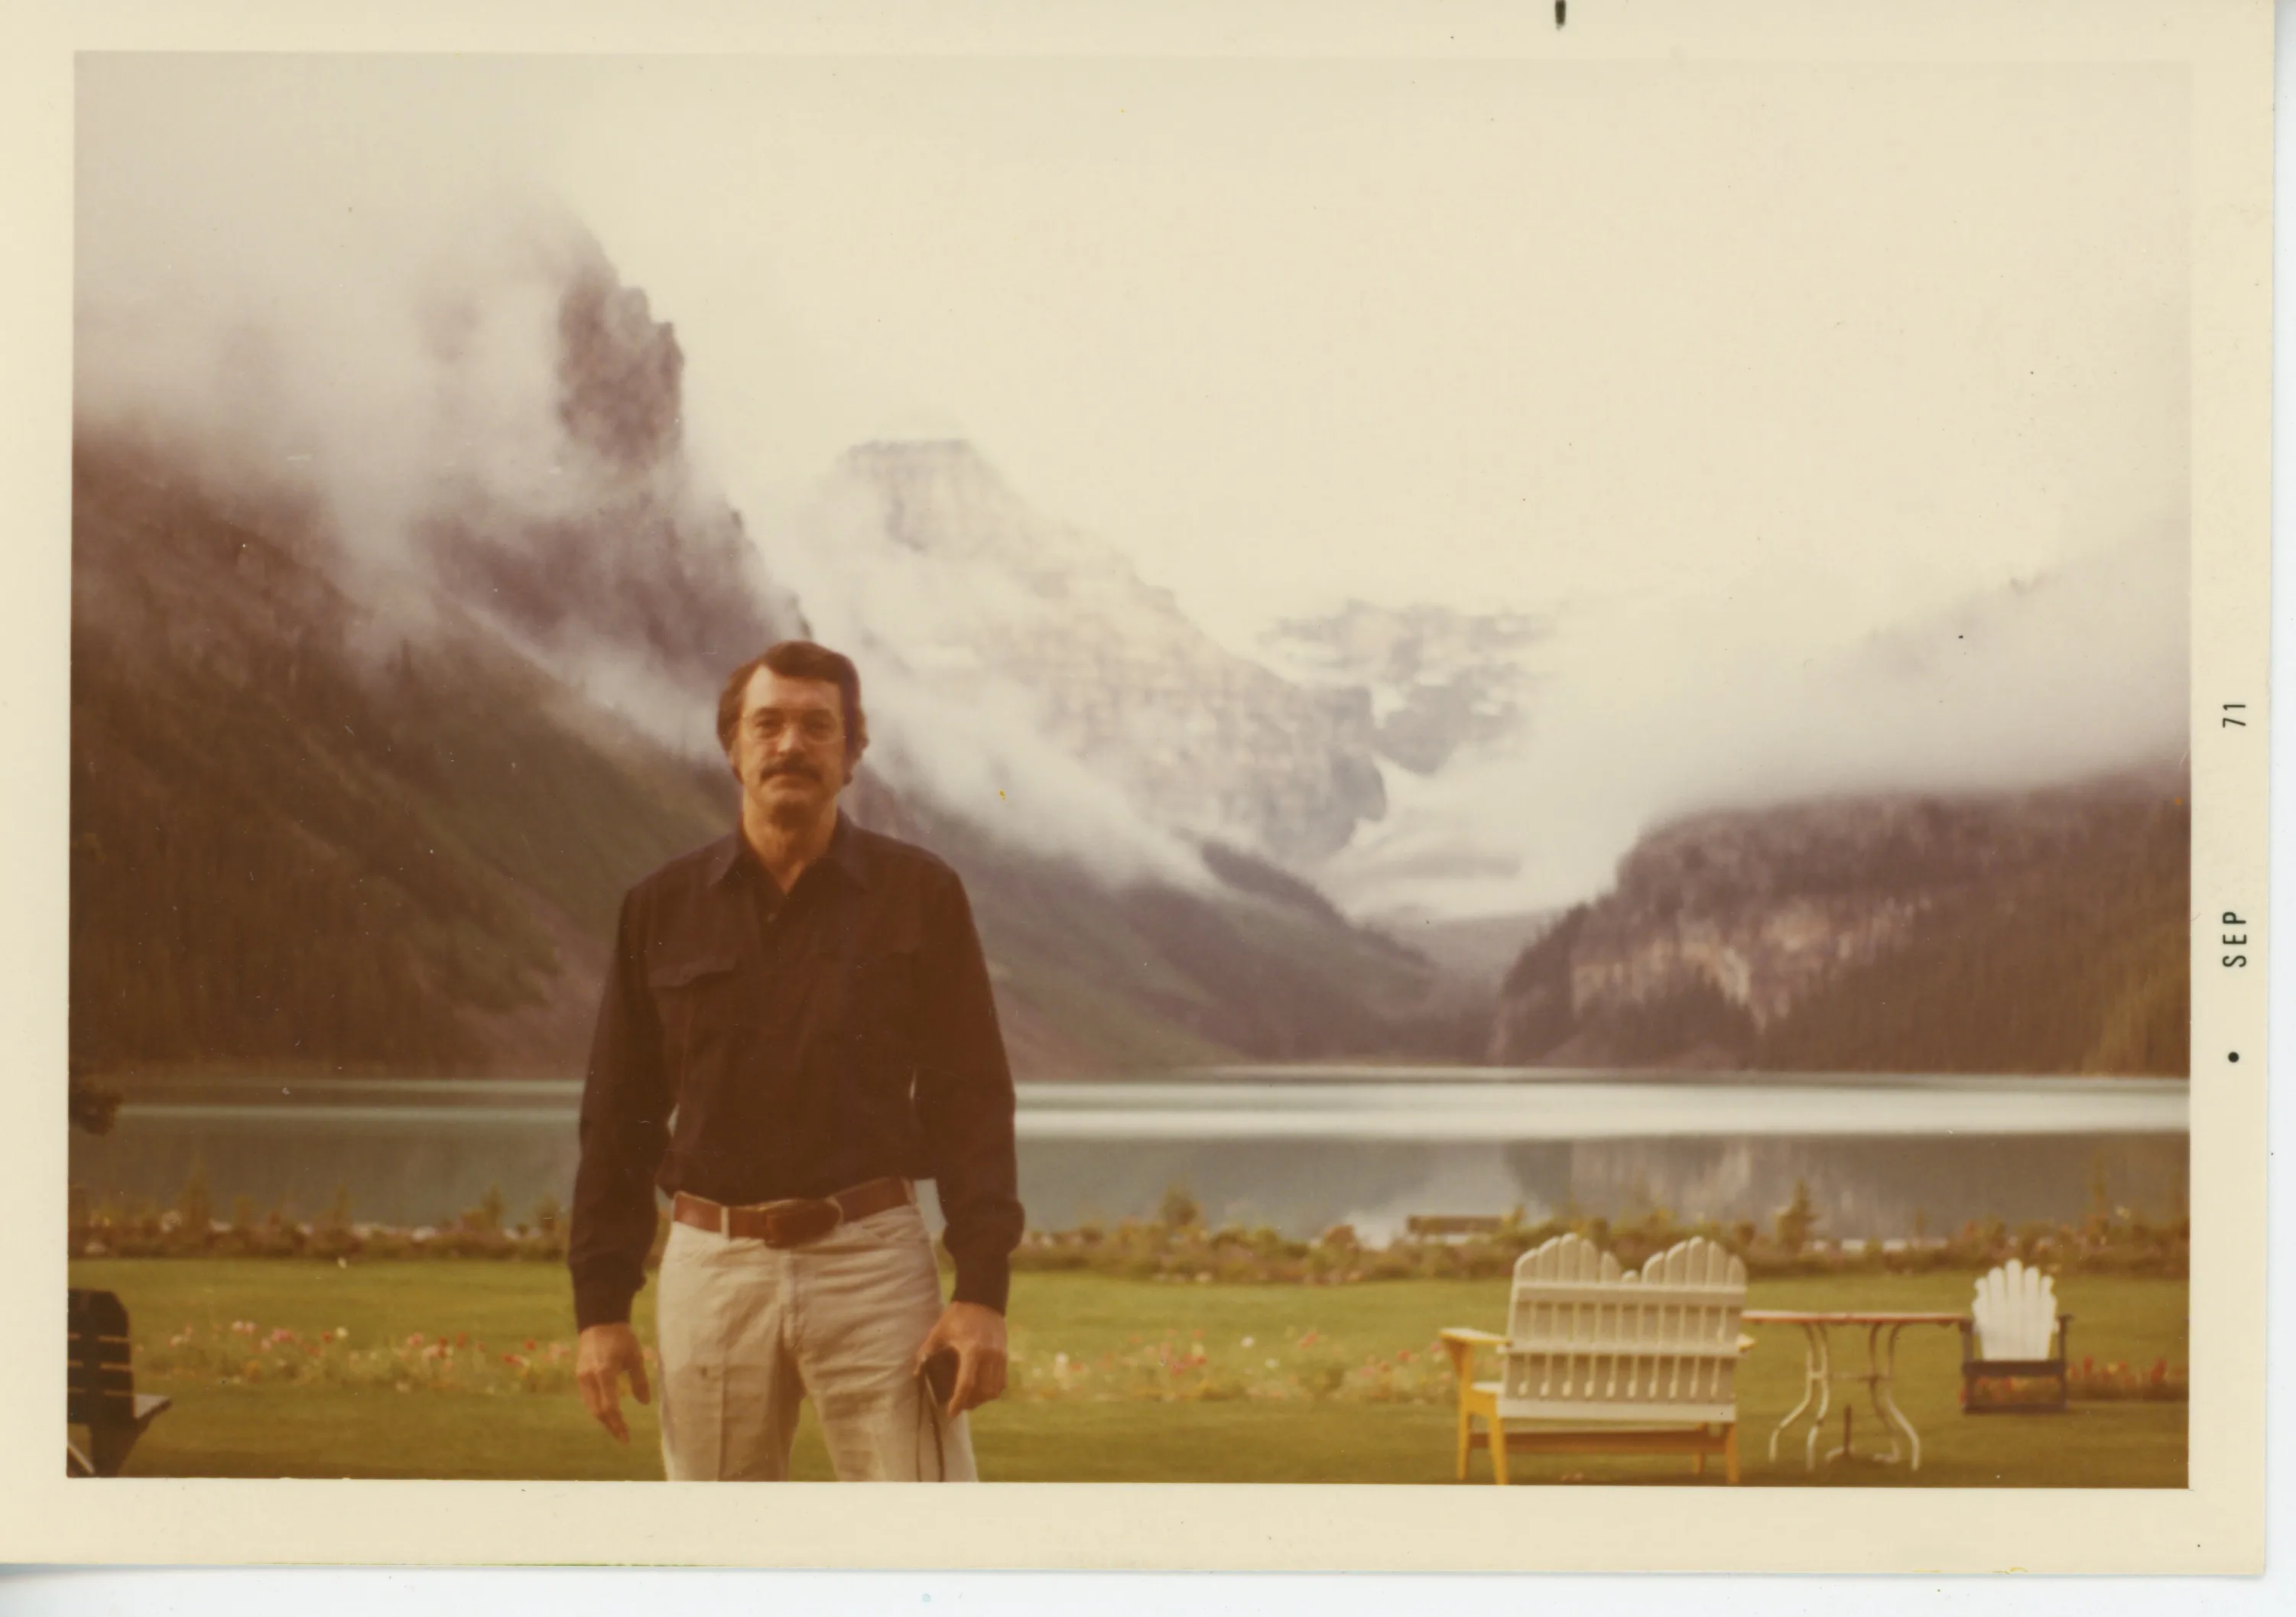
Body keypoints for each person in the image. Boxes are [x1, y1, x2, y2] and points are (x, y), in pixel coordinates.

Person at [568, 639, 1023, 1481]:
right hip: (711, 1269)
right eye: (767, 724)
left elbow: (971, 1098)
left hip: (875, 1266)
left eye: (819, 727)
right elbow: (618, 1120)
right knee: (717, 1561)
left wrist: (981, 1291)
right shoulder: (659, 907)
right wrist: (601, 1309)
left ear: (852, 756)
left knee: (921, 1541)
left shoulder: (921, 894)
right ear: (732, 747)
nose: (790, 745)